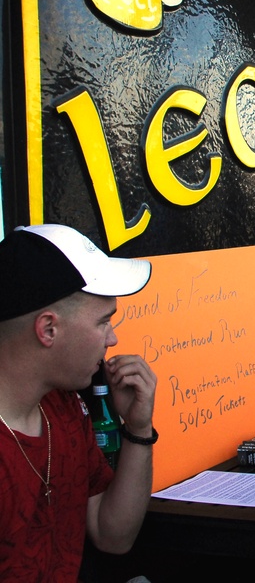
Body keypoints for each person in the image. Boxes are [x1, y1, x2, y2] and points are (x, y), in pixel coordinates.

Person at [0, 223, 158, 580]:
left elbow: (113, 535)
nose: (113, 339)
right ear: (48, 329)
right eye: (103, 322)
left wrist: (137, 428)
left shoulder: (66, 408)